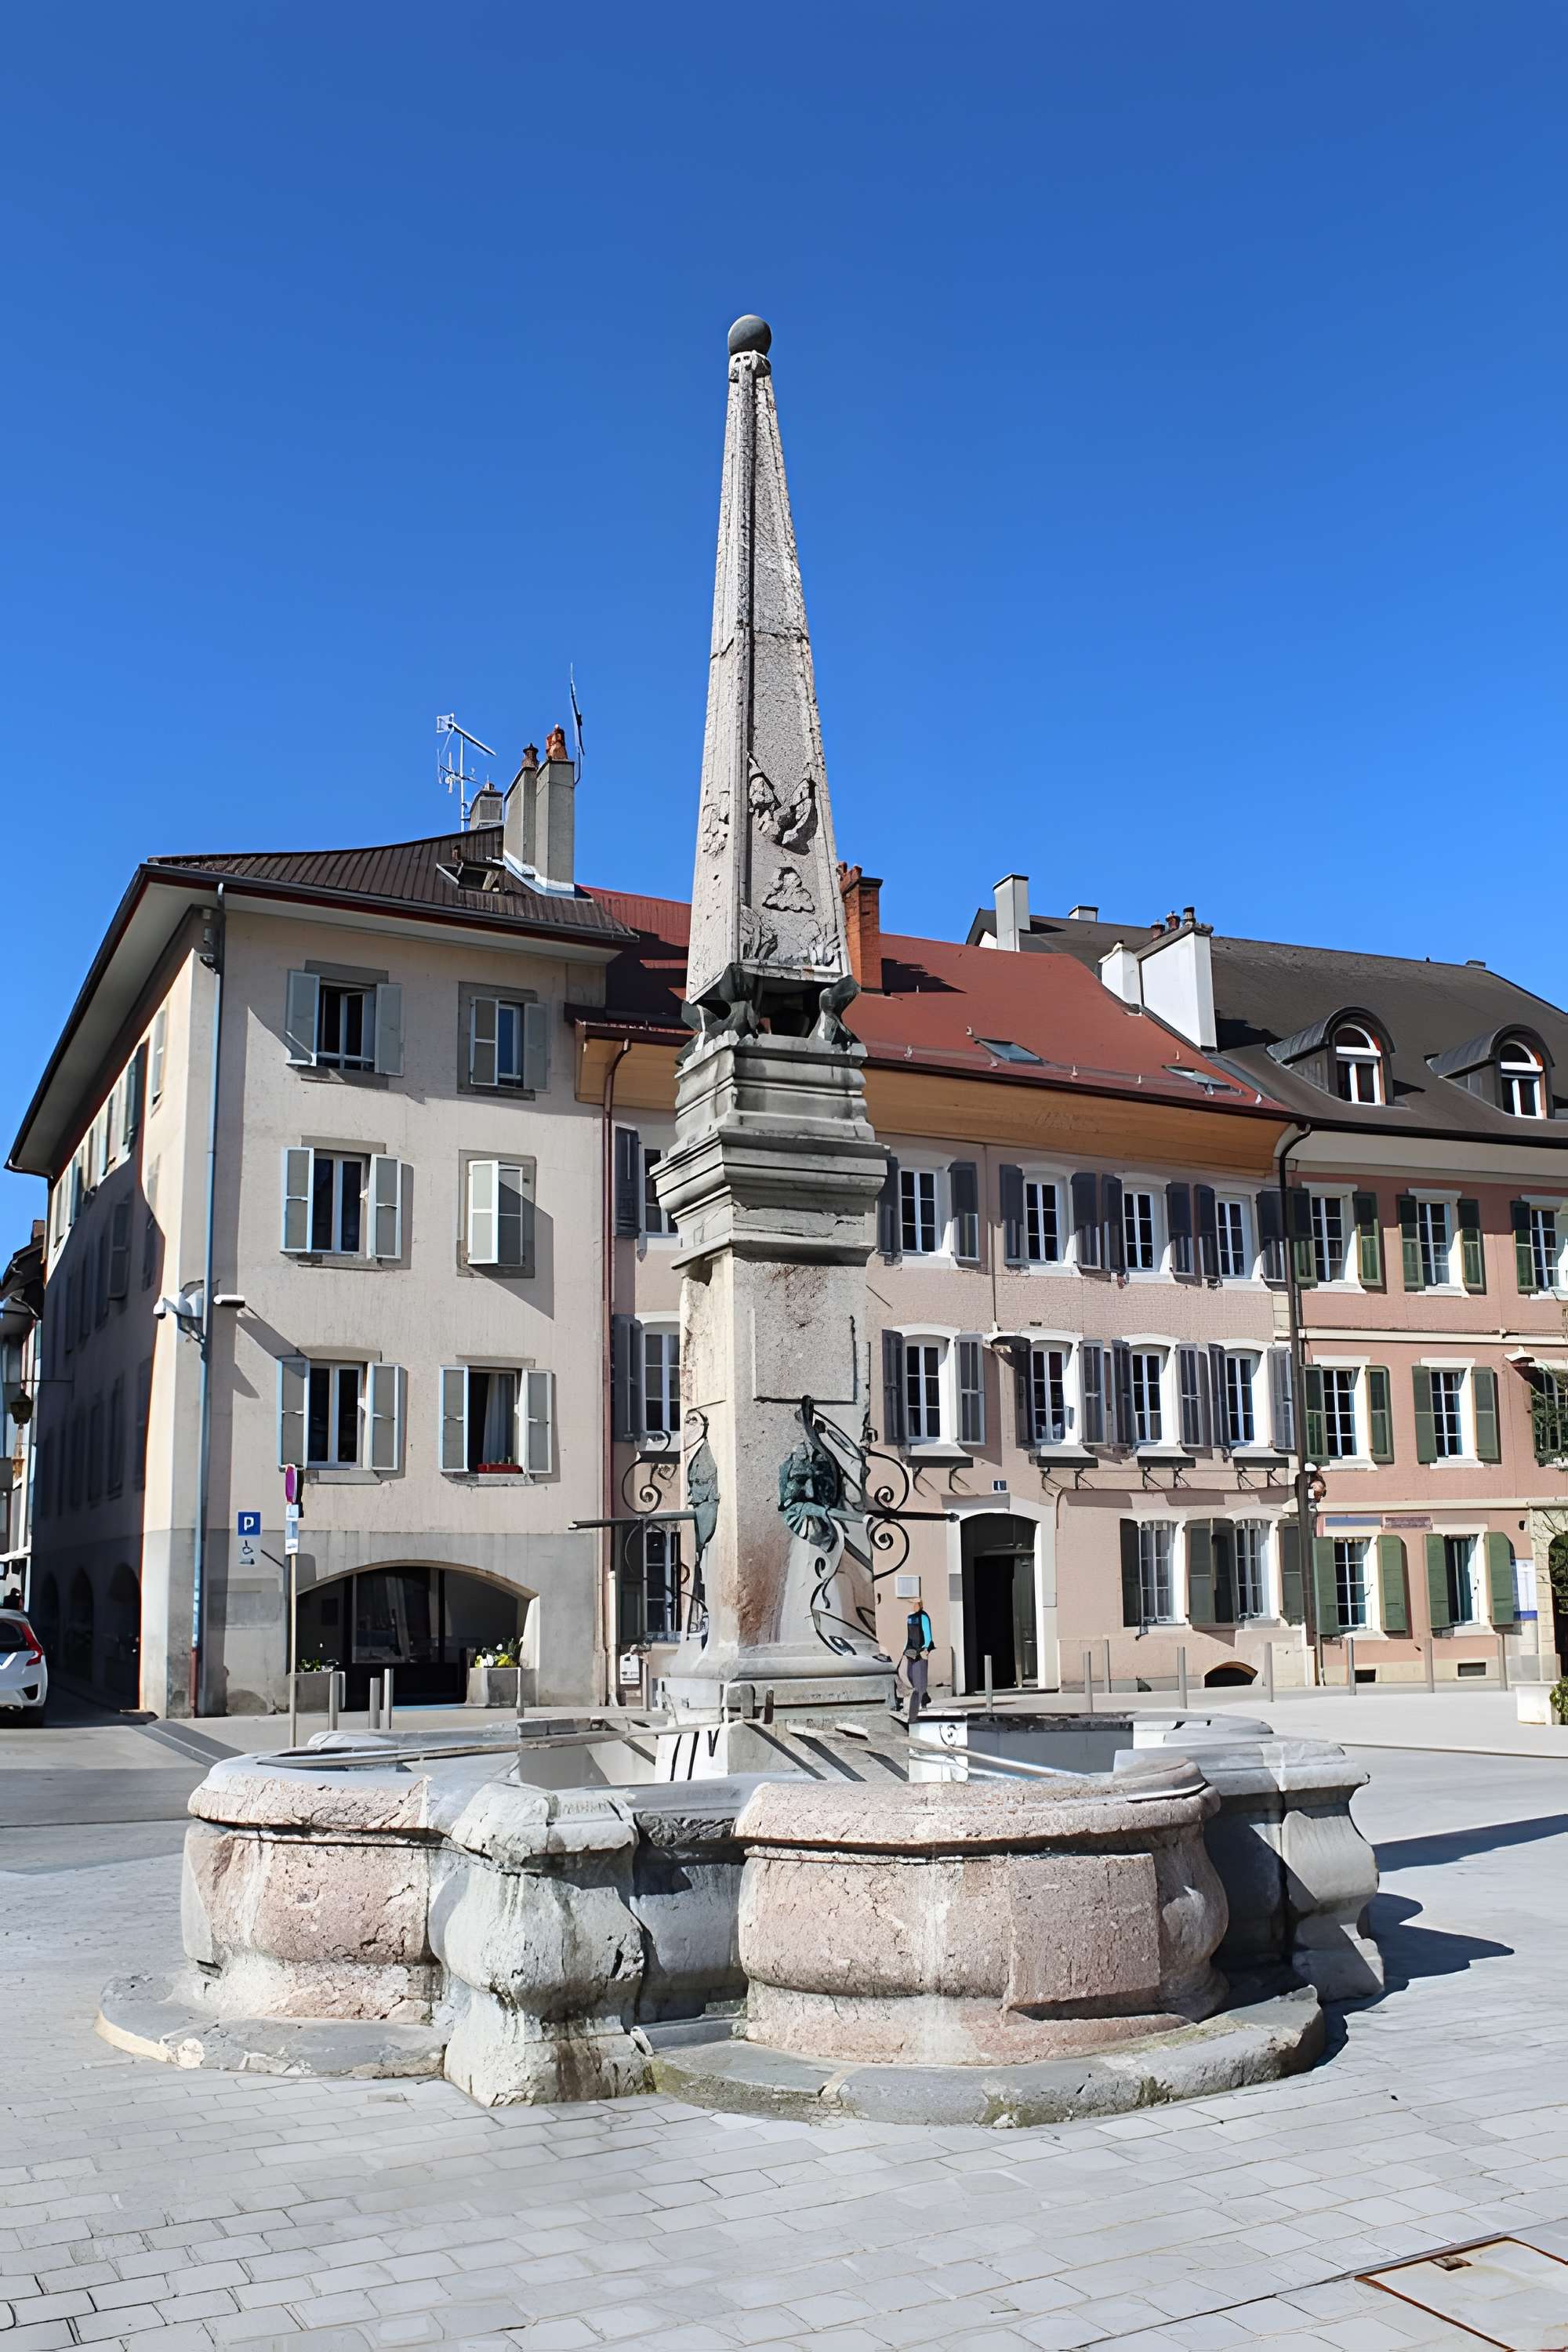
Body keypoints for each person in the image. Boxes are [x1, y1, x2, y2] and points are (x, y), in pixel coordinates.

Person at [901, 1600, 935, 1721]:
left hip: (920, 1650)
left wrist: (926, 1648)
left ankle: (921, 1702)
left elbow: (928, 1634)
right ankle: (924, 1697)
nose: (914, 1606)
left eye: (917, 1604)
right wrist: (905, 1649)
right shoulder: (910, 1617)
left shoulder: (924, 1617)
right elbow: (909, 1635)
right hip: (910, 1650)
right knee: (908, 1674)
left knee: (919, 1678)